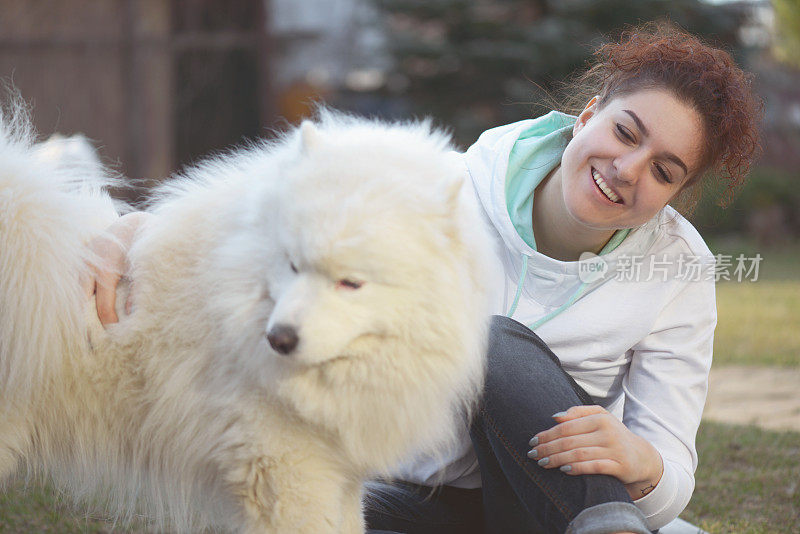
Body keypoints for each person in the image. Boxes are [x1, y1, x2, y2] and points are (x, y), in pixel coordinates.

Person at [85, 23, 761, 534]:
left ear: (676, 194)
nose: (628, 169)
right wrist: (143, 229)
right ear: (587, 116)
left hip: (551, 502)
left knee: (495, 341)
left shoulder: (681, 271)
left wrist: (644, 463)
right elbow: (290, 206)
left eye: (665, 171)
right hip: (407, 496)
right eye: (626, 131)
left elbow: (672, 476)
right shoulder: (444, 189)